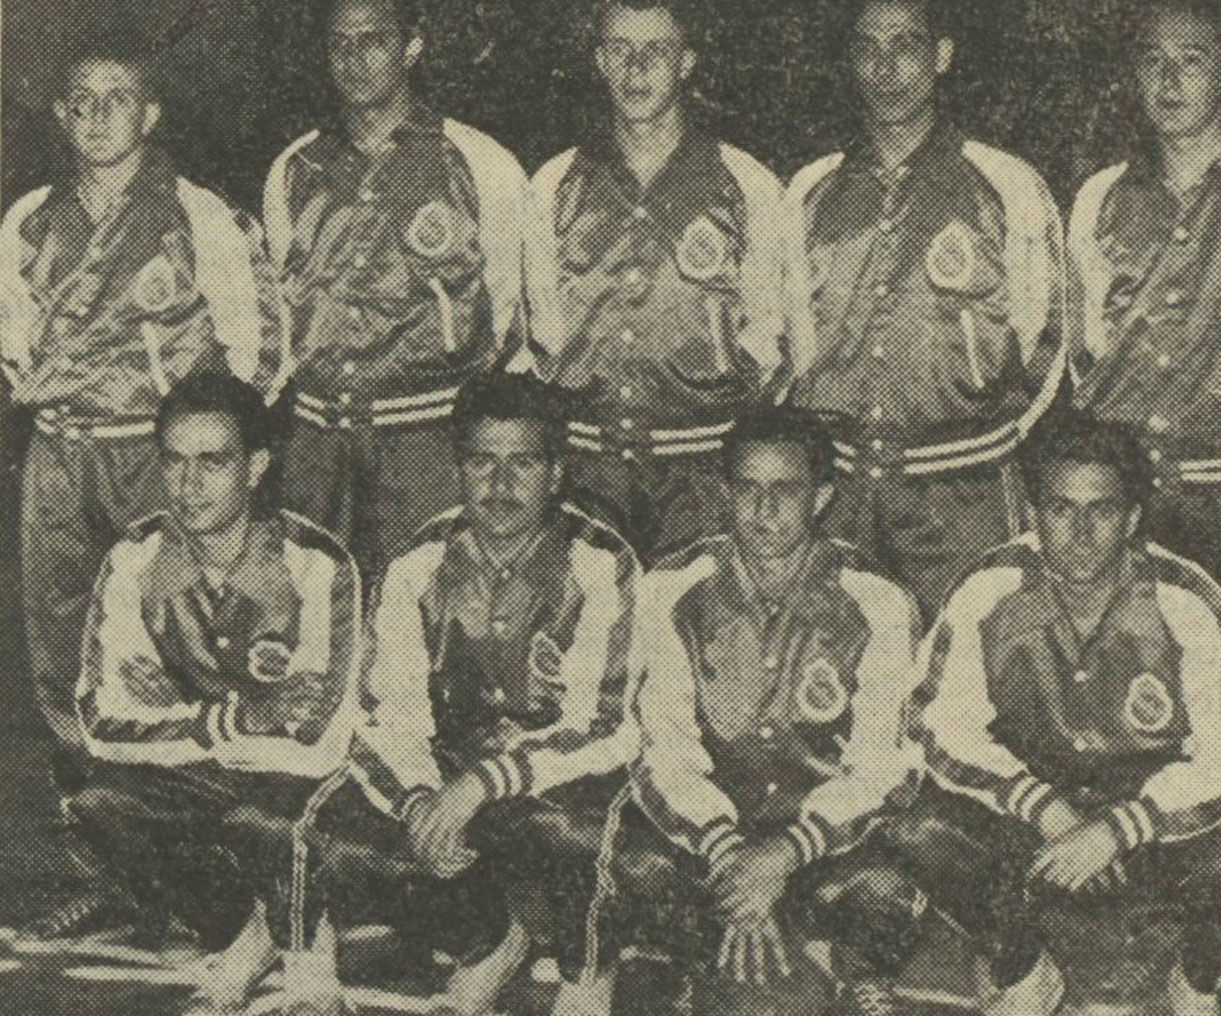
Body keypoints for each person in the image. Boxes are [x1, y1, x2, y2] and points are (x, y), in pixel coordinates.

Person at [0, 39, 284, 939]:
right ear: (61, 117)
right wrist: (42, 384)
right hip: (61, 455)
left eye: (115, 100)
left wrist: (209, 446)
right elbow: (14, 339)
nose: (95, 118)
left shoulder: (197, 215)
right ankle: (109, 866)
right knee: (65, 651)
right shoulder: (29, 221)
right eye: (79, 102)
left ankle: (208, 867)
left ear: (151, 114)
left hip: (156, 462)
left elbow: (261, 345)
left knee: (175, 643)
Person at [902, 410, 1221, 1016]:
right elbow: (937, 724)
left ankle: (1196, 981)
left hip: (1147, 820)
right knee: (919, 827)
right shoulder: (990, 587)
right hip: (1034, 818)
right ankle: (1022, 969)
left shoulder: (1181, 596)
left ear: (1132, 518)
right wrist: (1047, 810)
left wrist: (1119, 826)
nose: (1080, 532)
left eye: (1101, 510)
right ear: (1036, 513)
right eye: (1061, 509)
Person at [288, 371, 643, 1016]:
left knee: (584, 832)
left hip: (554, 781)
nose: (500, 485)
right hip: (449, 775)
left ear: (556, 473)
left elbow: (606, 727)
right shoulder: (418, 562)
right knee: (329, 826)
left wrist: (482, 783)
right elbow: (385, 715)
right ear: (457, 468)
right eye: (482, 462)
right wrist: (423, 796)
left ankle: (587, 975)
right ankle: (486, 943)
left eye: (523, 464)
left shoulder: (599, 563)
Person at [558, 405, 923, 1016]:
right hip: (712, 844)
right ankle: (707, 957)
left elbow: (882, 767)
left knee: (887, 887)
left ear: (823, 496)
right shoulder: (671, 587)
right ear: (726, 495)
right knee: (635, 861)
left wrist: (784, 853)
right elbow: (665, 752)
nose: (765, 511)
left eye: (786, 491)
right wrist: (732, 855)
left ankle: (852, 967)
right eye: (749, 490)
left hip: (821, 844)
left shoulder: (876, 598)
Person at [67, 371, 362, 1016]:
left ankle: (310, 959)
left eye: (213, 462)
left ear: (255, 466)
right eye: (173, 462)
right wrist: (231, 722)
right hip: (213, 763)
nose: (188, 485)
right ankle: (241, 937)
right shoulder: (135, 558)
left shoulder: (315, 563)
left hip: (308, 786)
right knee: (100, 802)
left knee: (273, 814)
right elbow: (100, 719)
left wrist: (172, 715)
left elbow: (319, 738)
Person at [785, 0, 1067, 613]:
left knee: (964, 681)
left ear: (941, 56)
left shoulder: (1004, 184)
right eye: (868, 48)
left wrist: (981, 443)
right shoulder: (810, 192)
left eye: (906, 45)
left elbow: (1050, 346)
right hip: (841, 494)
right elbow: (784, 348)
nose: (886, 68)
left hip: (961, 495)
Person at [525, 0, 801, 562]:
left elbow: (776, 348)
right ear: (600, 61)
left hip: (701, 475)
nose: (637, 66)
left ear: (686, 62)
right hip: (585, 474)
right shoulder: (554, 185)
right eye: (620, 48)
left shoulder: (746, 185)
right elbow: (535, 341)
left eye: (657, 49)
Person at [262, 0, 529, 579]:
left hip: (426, 437)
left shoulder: (479, 163)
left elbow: (513, 313)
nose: (355, 59)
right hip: (319, 438)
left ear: (410, 48)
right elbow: (284, 312)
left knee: (429, 609)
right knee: (313, 617)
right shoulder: (295, 169)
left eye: (374, 41)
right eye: (341, 44)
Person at [1065, 0, 1221, 626]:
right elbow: (1087, 355)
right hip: (1133, 493)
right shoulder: (1102, 196)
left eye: (1190, 60)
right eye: (1153, 62)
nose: (1169, 79)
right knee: (1139, 660)